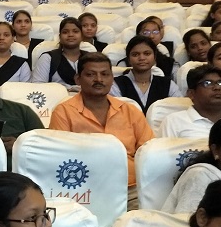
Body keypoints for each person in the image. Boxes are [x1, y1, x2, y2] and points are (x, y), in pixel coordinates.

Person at [48, 53, 153, 184]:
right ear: (78, 79)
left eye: (105, 74)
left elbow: (149, 151)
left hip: (132, 186)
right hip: (85, 187)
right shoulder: (63, 112)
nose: (99, 79)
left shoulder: (130, 111)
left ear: (112, 78)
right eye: (90, 74)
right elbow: (60, 157)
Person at [113, 35, 180, 112]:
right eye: (135, 54)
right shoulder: (116, 85)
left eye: (147, 54)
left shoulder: (168, 84)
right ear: (128, 59)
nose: (142, 58)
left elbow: (179, 110)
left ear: (155, 57)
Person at [32, 18, 85, 88]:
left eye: (75, 31)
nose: (70, 35)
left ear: (82, 36)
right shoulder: (48, 58)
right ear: (60, 37)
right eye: (65, 32)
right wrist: (69, 88)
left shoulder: (90, 58)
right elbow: (38, 86)